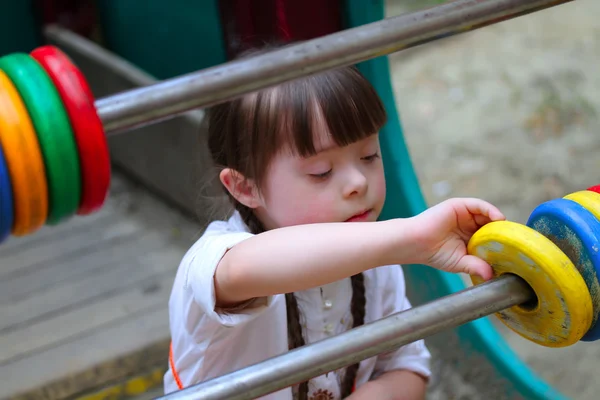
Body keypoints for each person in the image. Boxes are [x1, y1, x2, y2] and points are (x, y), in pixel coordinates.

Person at [164, 56, 504, 399]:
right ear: (245, 188)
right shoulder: (212, 261)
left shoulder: (376, 263)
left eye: (369, 155)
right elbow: (242, 270)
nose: (357, 181)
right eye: (322, 171)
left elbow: (408, 366)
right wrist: (408, 237)